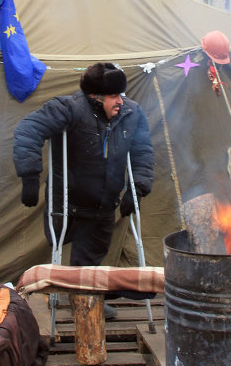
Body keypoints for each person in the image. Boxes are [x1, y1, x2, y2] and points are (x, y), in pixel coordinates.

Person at [13, 62, 154, 318]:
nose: (120, 101)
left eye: (121, 94)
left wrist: (138, 188)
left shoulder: (132, 113)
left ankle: (86, 300)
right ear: (94, 97)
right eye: (113, 96)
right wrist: (30, 176)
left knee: (90, 259)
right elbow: (28, 130)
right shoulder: (68, 108)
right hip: (69, 202)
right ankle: (78, 301)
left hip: (104, 204)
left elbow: (142, 151)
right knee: (65, 251)